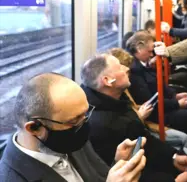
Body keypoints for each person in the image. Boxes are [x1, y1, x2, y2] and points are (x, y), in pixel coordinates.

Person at [0, 73, 147, 182]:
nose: (84, 123)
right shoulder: (11, 178)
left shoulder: (71, 138)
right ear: (34, 128)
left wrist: (118, 164)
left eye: (85, 114)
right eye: (74, 119)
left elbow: (99, 177)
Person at [80, 55, 187, 182]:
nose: (126, 68)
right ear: (108, 80)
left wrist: (173, 157)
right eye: (120, 67)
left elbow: (143, 139)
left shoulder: (117, 102)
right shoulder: (100, 125)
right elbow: (124, 174)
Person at [126, 31, 187, 159]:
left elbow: (161, 86)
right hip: (157, 114)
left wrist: (175, 96)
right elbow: (150, 101)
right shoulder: (135, 71)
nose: (153, 54)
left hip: (164, 105)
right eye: (150, 51)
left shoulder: (145, 64)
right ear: (139, 48)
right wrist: (176, 103)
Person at [108, 48, 187, 151]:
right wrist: (140, 116)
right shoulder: (114, 98)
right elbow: (126, 128)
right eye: (121, 69)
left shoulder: (124, 91)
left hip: (144, 126)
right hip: (138, 134)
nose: (127, 71)